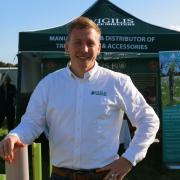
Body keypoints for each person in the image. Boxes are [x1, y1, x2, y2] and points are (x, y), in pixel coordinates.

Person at [0, 17, 159, 180]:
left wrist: (129, 159)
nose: (84, 49)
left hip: (103, 176)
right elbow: (32, 123)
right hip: (59, 176)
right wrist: (15, 136)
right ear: (66, 46)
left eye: (90, 43)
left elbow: (149, 120)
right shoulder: (49, 84)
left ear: (99, 48)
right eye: (77, 42)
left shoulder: (117, 82)